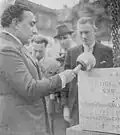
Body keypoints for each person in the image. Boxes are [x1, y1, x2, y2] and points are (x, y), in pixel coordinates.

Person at [0, 4, 76, 135]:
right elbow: (30, 89)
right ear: (15, 23)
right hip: (21, 126)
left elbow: (39, 81)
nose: (35, 30)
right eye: (31, 24)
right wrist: (62, 78)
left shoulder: (17, 47)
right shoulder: (7, 49)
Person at [63, 17, 113, 126]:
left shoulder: (107, 52)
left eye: (87, 32)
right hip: (77, 106)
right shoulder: (71, 53)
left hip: (101, 106)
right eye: (81, 33)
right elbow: (65, 83)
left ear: (95, 31)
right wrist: (66, 106)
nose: (84, 36)